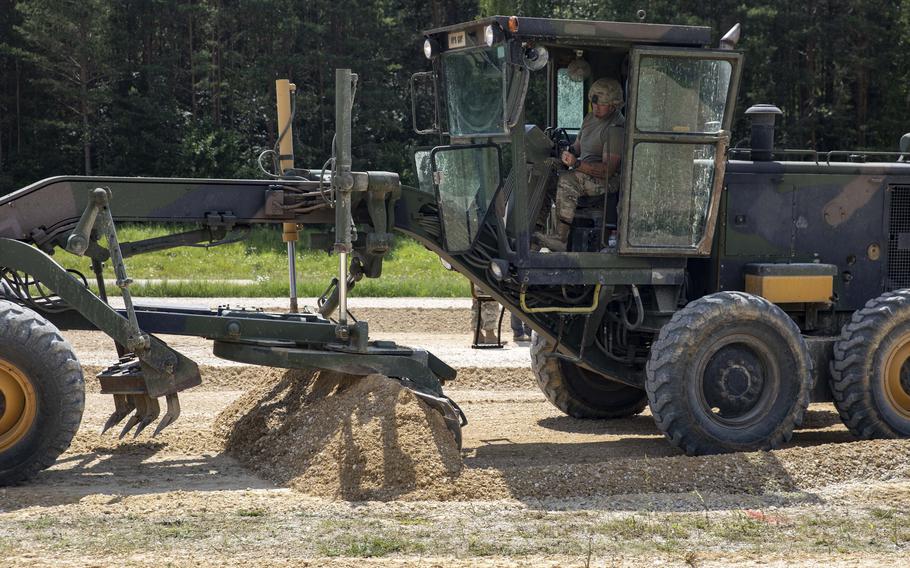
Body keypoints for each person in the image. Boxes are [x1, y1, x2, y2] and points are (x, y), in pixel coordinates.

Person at [535, 77, 625, 252]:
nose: (596, 107)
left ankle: (560, 238)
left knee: (568, 179)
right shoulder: (590, 118)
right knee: (546, 167)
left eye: (602, 104)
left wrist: (575, 164)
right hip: (583, 172)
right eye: (594, 103)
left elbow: (608, 170)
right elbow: (577, 147)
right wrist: (562, 151)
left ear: (614, 105)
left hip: (606, 182)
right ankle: (536, 230)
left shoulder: (616, 128)